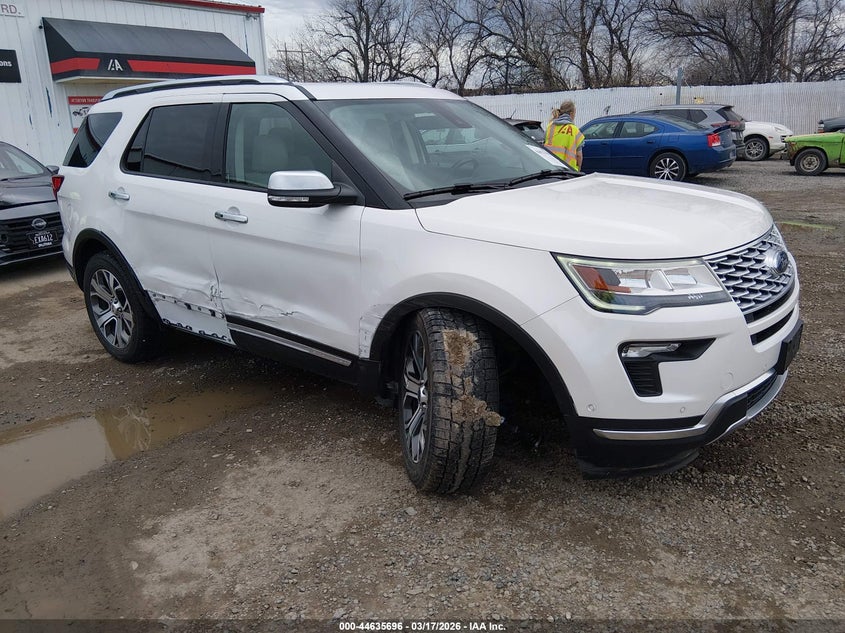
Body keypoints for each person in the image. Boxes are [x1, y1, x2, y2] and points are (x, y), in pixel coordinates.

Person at [544, 100, 584, 170]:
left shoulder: (550, 127)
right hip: (568, 171)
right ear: (571, 113)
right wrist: (579, 168)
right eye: (575, 113)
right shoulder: (575, 131)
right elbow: (579, 156)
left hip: (551, 169)